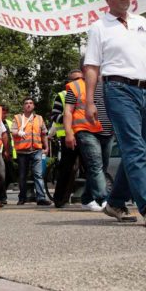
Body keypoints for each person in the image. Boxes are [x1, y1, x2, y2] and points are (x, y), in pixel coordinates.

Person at [84, 0, 146, 228]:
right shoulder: (99, 27)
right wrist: (90, 102)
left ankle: (115, 202)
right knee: (134, 148)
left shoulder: (142, 22)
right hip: (118, 89)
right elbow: (91, 66)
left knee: (139, 149)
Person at [63, 72, 112, 211]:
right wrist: (68, 132)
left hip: (108, 131)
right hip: (85, 130)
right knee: (96, 165)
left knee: (100, 168)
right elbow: (68, 111)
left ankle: (87, 199)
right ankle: (104, 199)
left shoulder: (108, 84)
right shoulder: (75, 86)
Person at [50, 70, 83, 208]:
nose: (80, 82)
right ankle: (60, 199)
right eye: (76, 79)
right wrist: (70, 121)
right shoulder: (62, 96)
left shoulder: (87, 93)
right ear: (68, 83)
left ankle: (90, 198)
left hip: (84, 133)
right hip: (67, 136)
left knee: (90, 167)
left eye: (82, 78)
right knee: (68, 168)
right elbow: (54, 116)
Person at [12, 97, 52, 206]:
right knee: (22, 176)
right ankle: (22, 198)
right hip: (22, 152)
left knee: (38, 175)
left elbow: (44, 134)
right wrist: (18, 133)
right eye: (26, 103)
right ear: (23, 106)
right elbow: (13, 130)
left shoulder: (39, 118)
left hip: (36, 150)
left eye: (30, 103)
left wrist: (46, 147)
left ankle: (41, 198)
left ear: (33, 106)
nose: (28, 105)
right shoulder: (18, 118)